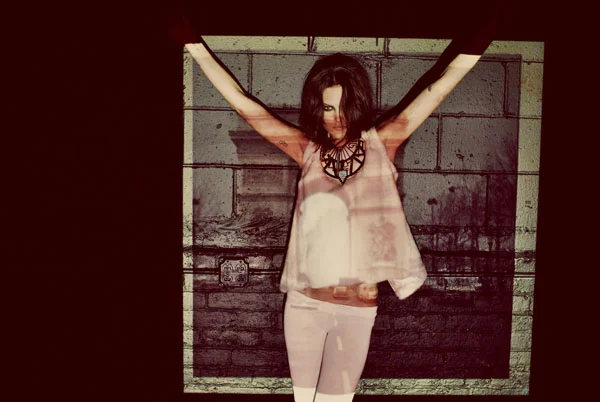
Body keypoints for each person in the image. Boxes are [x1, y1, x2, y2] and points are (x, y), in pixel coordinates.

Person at [169, 6, 500, 401]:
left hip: (356, 312)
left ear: (357, 103)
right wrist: (194, 45)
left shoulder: (382, 144)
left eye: (343, 106)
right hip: (305, 306)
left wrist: (487, 33)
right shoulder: (307, 152)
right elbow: (246, 105)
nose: (337, 117)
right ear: (317, 108)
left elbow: (437, 88)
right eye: (328, 107)